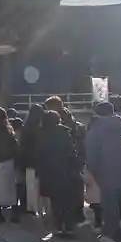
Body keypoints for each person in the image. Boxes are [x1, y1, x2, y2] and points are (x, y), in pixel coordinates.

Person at [86, 101, 121, 242]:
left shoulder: (96, 129)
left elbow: (91, 152)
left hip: (105, 170)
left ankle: (112, 234)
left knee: (109, 204)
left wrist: (92, 170)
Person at [37, 110, 79, 238]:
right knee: (67, 200)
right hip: (64, 170)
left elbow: (39, 154)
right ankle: (70, 227)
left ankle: (59, 227)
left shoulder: (41, 133)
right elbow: (72, 152)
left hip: (49, 171)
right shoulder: (64, 132)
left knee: (55, 201)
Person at [44, 96, 86, 224]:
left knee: (64, 191)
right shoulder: (71, 117)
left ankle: (67, 218)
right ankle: (78, 214)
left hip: (65, 160)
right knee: (76, 188)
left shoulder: (58, 120)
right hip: (76, 159)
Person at [20, 104, 45, 215]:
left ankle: (31, 207)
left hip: (28, 161)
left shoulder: (25, 128)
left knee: (31, 186)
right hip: (39, 161)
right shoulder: (40, 129)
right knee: (40, 186)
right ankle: (39, 208)